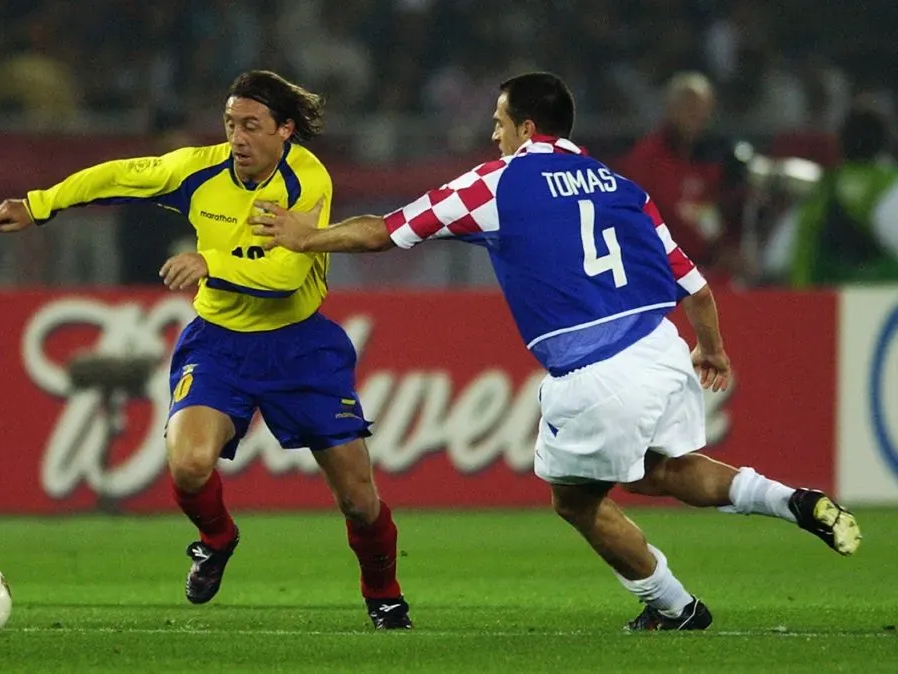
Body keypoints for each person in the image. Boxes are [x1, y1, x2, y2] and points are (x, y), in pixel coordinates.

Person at [250, 71, 862, 630]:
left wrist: (308, 237)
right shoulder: (625, 188)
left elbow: (388, 230)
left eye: (498, 122)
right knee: (665, 471)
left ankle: (675, 607)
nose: (492, 135)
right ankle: (791, 500)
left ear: (525, 128)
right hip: (661, 345)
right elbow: (695, 285)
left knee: (574, 500)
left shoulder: (498, 182)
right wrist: (714, 351)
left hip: (596, 370)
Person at [0, 70, 412, 630]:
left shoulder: (306, 179)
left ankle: (382, 594)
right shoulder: (198, 168)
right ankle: (217, 539)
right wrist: (40, 203)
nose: (237, 138)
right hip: (219, 345)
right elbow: (119, 177)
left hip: (299, 346)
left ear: (285, 130)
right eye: (231, 124)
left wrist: (212, 263)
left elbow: (286, 273)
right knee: (188, 465)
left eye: (252, 126)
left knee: (359, 500)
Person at [617, 72, 738, 279]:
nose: (695, 115)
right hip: (658, 271)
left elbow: (711, 212)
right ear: (670, 108)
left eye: (702, 108)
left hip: (706, 270)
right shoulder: (645, 159)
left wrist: (724, 248)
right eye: (688, 106)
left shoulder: (713, 160)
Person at [764, 104, 898, 286]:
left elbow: (775, 260)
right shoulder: (888, 185)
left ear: (840, 143)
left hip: (815, 302)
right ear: (885, 143)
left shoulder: (821, 187)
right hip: (877, 302)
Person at [115, 107, 198, 285]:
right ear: (158, 141)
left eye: (183, 134)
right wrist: (172, 251)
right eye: (173, 135)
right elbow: (131, 245)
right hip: (149, 287)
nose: (181, 141)